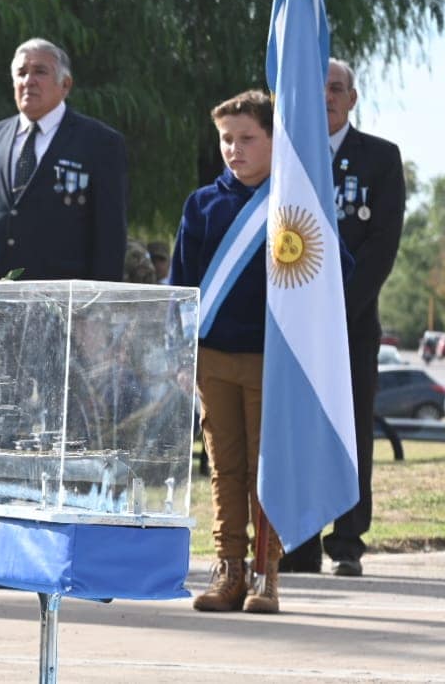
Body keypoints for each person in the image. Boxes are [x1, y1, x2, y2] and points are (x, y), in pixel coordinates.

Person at [281, 58, 405, 577]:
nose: (326, 96)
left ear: (352, 98)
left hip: (351, 326)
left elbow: (382, 246)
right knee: (297, 432)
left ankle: (348, 541)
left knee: (351, 429)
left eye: (336, 88)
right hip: (293, 326)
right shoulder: (287, 155)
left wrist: (335, 311)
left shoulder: (380, 158)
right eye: (317, 87)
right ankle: (299, 542)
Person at [172, 90, 281, 614]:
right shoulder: (203, 203)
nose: (234, 150)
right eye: (226, 139)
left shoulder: (293, 203)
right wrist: (180, 352)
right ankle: (228, 569)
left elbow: (335, 274)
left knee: (268, 468)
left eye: (247, 139)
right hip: (214, 357)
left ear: (274, 139)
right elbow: (182, 286)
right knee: (225, 466)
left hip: (272, 360)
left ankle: (266, 573)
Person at [0, 38, 127, 281]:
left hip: (61, 301)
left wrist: (97, 308)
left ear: (65, 84)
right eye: (21, 73)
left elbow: (110, 235)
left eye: (40, 72)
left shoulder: (99, 143)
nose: (28, 81)